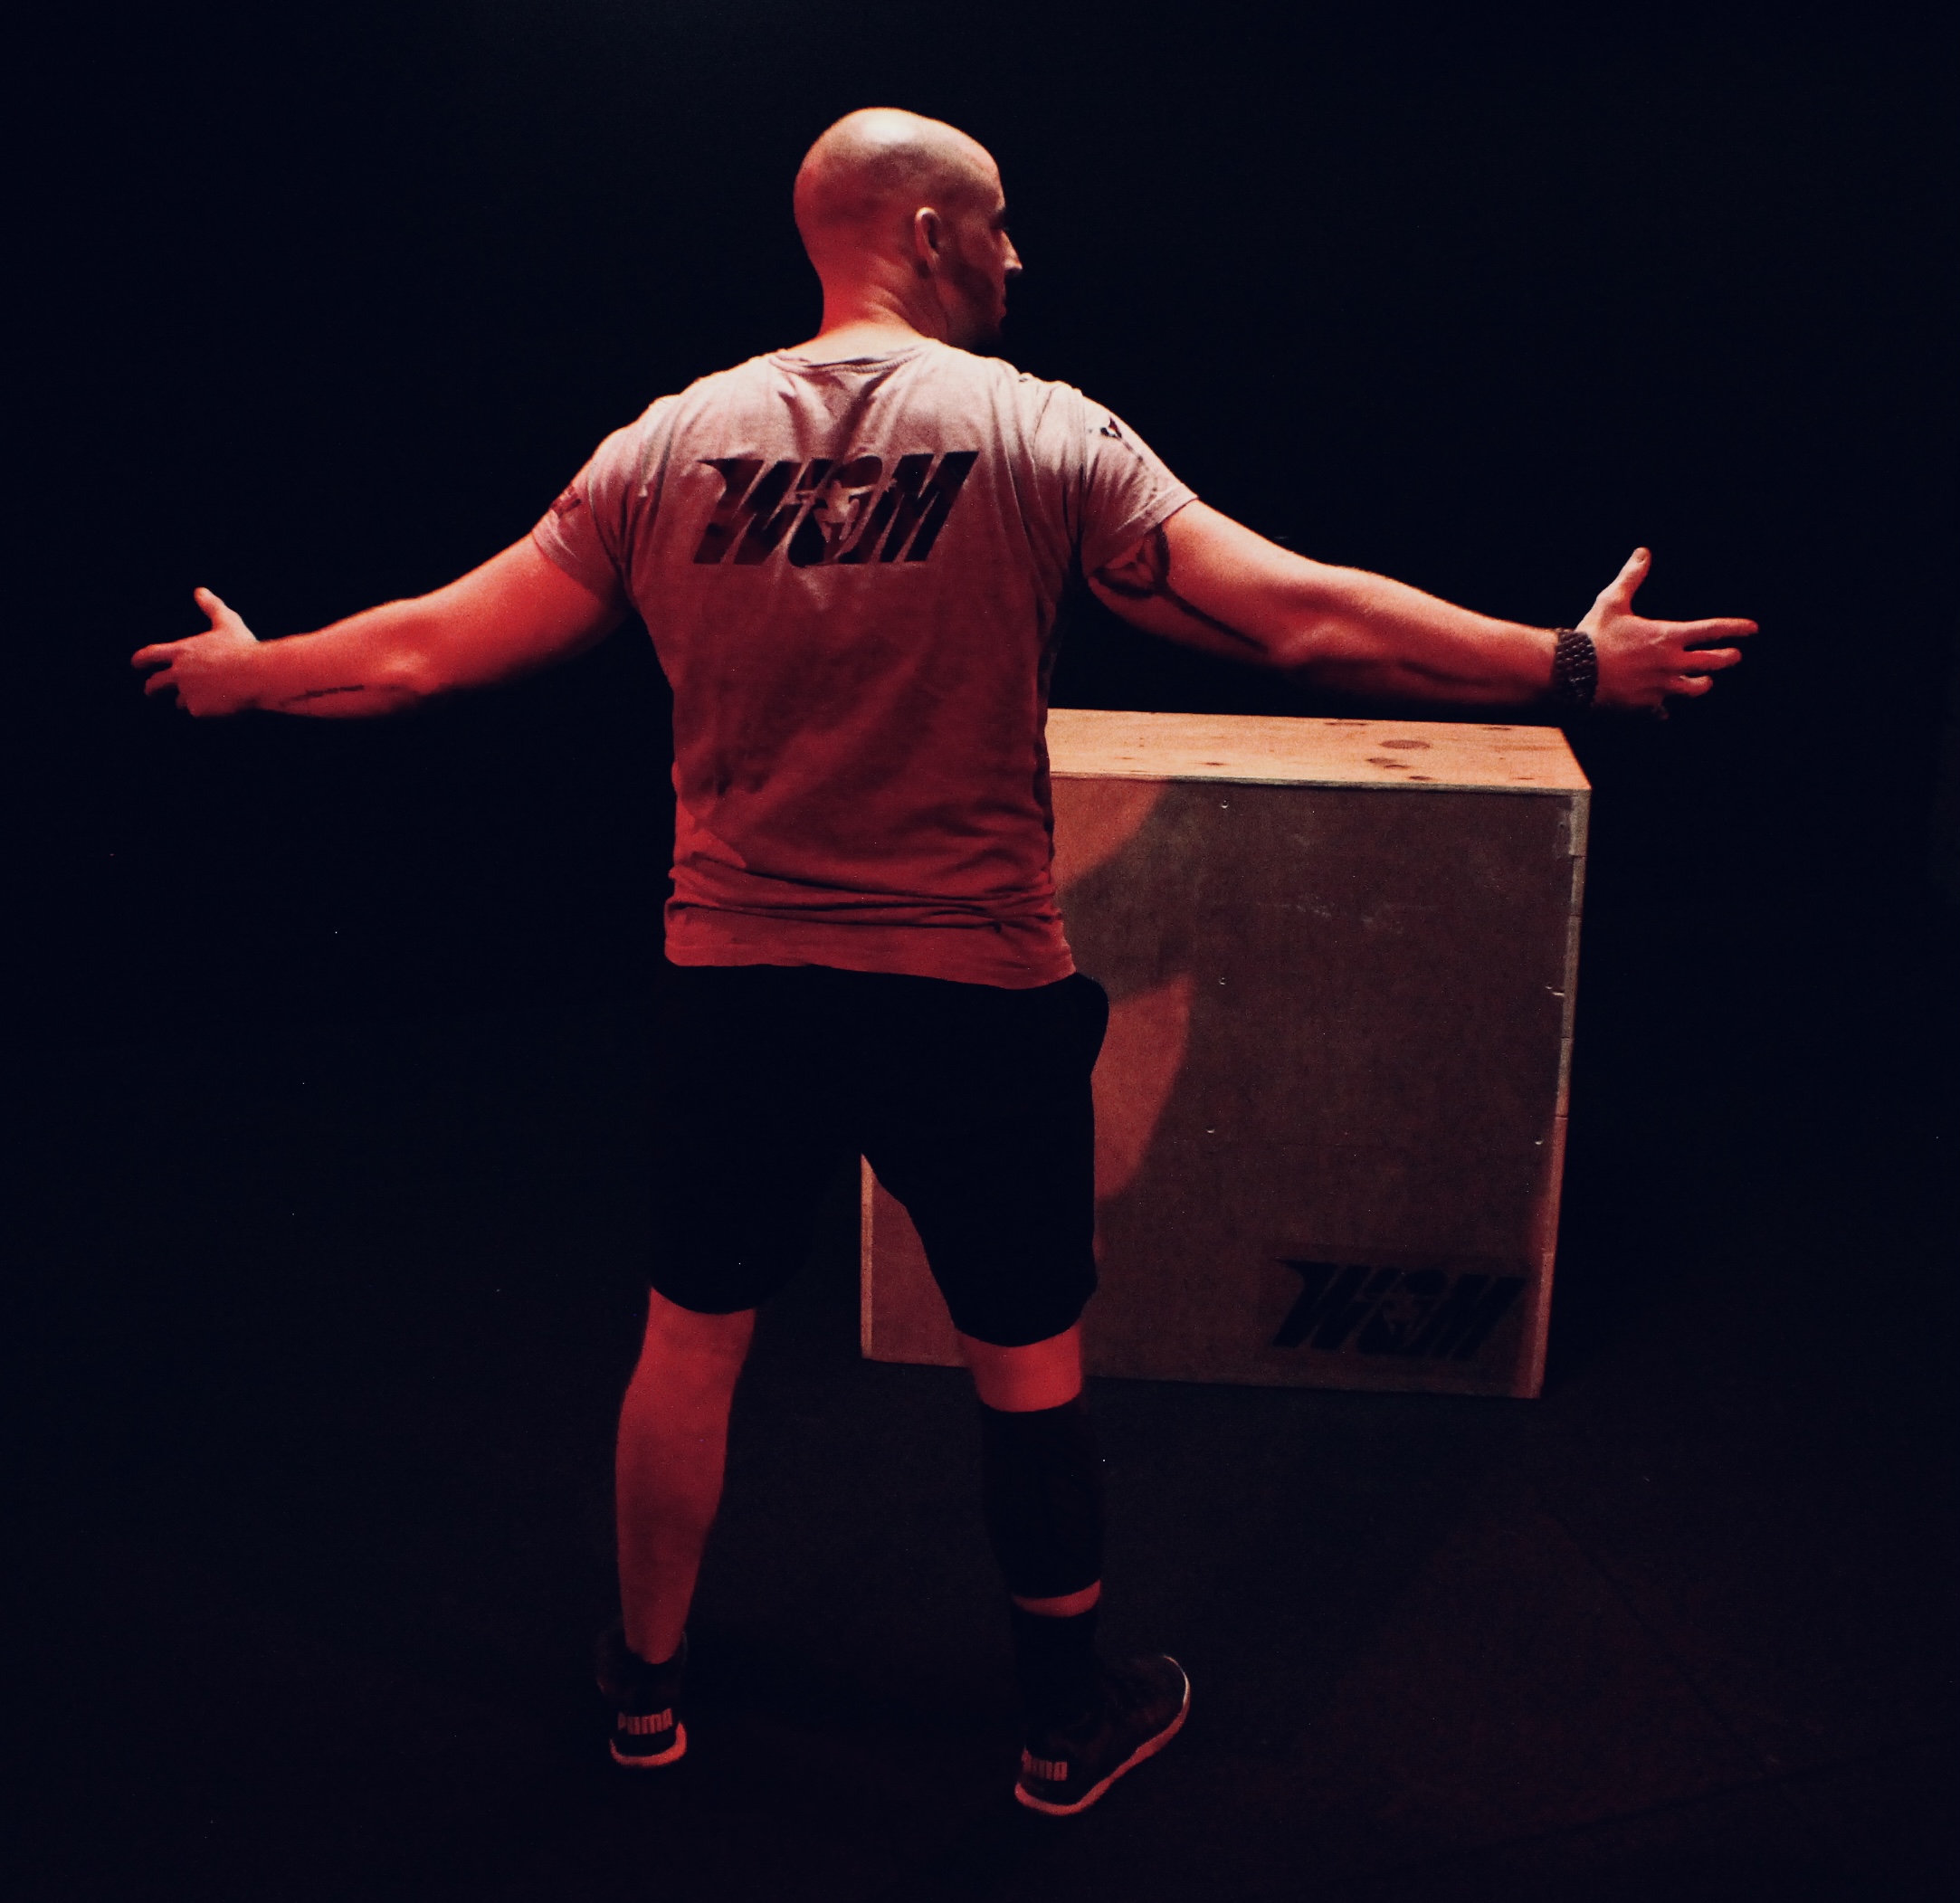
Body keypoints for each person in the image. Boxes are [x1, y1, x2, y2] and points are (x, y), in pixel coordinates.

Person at [132, 106, 1755, 1816]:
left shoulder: (665, 448)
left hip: (740, 986)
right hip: (968, 992)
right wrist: (1564, 665)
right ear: (923, 230)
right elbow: (1296, 615)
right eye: (997, 224)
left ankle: (646, 1691)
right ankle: (1061, 1723)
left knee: (689, 1338)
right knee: (1024, 1361)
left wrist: (257, 675)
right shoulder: (1041, 433)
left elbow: (421, 651)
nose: (1015, 255)